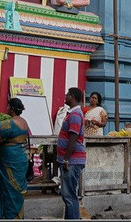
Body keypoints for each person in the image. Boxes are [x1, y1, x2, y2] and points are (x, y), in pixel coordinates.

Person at [0, 97, 32, 219]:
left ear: (12, 108)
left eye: (8, 106)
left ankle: (7, 216)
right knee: (17, 190)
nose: (7, 108)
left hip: (10, 159)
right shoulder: (24, 122)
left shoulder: (10, 123)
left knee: (9, 190)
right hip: (21, 159)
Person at [57, 87, 87, 219]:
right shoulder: (73, 113)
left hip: (72, 161)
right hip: (71, 160)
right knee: (67, 195)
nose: (65, 96)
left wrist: (66, 159)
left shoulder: (75, 115)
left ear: (72, 97)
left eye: (68, 94)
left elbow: (73, 138)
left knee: (69, 196)